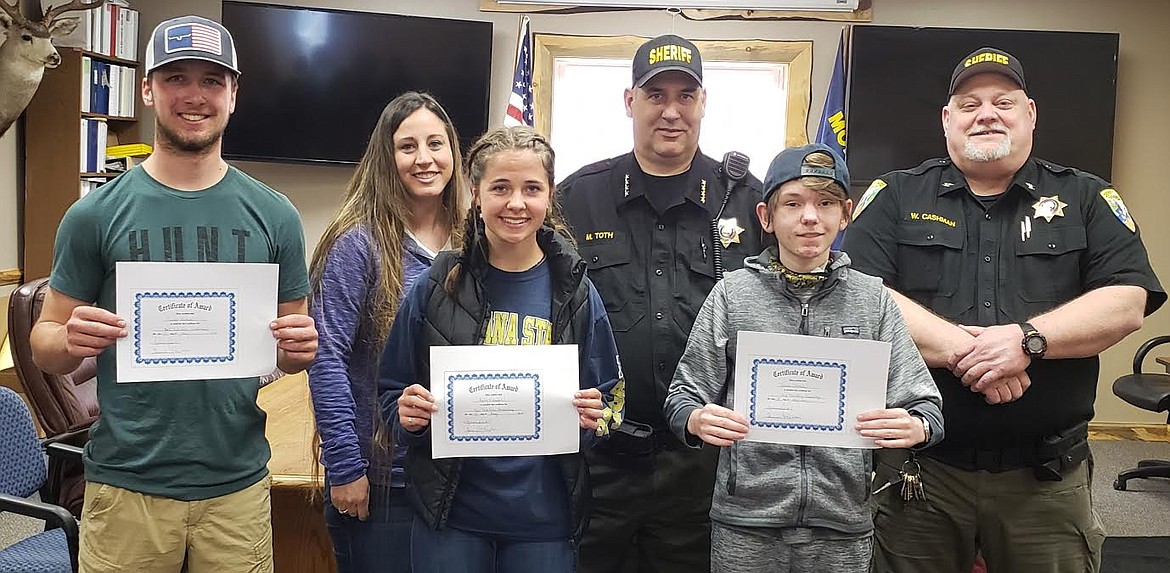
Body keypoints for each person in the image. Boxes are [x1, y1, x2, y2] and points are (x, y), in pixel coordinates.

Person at [842, 47, 1165, 573]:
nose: (986, 113)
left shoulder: (1087, 197)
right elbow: (856, 292)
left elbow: (1127, 299)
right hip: (922, 475)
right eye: (968, 103)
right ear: (947, 120)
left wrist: (1025, 341)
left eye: (1003, 101)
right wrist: (975, 354)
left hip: (1044, 482)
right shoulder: (894, 196)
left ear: (1030, 114)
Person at [28, 15, 318, 573]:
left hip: (235, 485)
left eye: (211, 80)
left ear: (233, 94)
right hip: (126, 483)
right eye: (175, 77)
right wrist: (70, 338)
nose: (194, 95)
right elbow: (44, 345)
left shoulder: (275, 215)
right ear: (147, 88)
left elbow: (290, 348)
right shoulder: (94, 214)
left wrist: (300, 349)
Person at [662, 143, 944, 573]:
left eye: (825, 203)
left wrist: (916, 425)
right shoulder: (732, 295)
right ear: (766, 218)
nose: (810, 217)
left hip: (843, 525)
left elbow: (926, 406)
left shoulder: (873, 300)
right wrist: (697, 420)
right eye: (792, 203)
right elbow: (683, 396)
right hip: (746, 525)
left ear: (845, 214)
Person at [558, 34, 768, 572]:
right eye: (656, 96)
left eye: (685, 95)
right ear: (630, 102)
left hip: (705, 465)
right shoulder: (577, 198)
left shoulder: (748, 200)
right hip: (599, 459)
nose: (671, 112)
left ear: (703, 102)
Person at [377, 126, 626, 573]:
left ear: (549, 196)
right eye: (500, 188)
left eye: (531, 188)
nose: (516, 203)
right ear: (476, 193)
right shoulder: (435, 285)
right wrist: (406, 413)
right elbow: (391, 389)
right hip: (450, 519)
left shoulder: (576, 292)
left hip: (544, 521)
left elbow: (610, 398)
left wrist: (594, 417)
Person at [307, 92, 466, 572]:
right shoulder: (358, 243)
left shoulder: (473, 240)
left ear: (454, 154)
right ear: (386, 157)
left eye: (436, 144)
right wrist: (345, 468)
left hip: (459, 477)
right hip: (382, 481)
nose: (424, 159)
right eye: (407, 146)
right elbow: (325, 356)